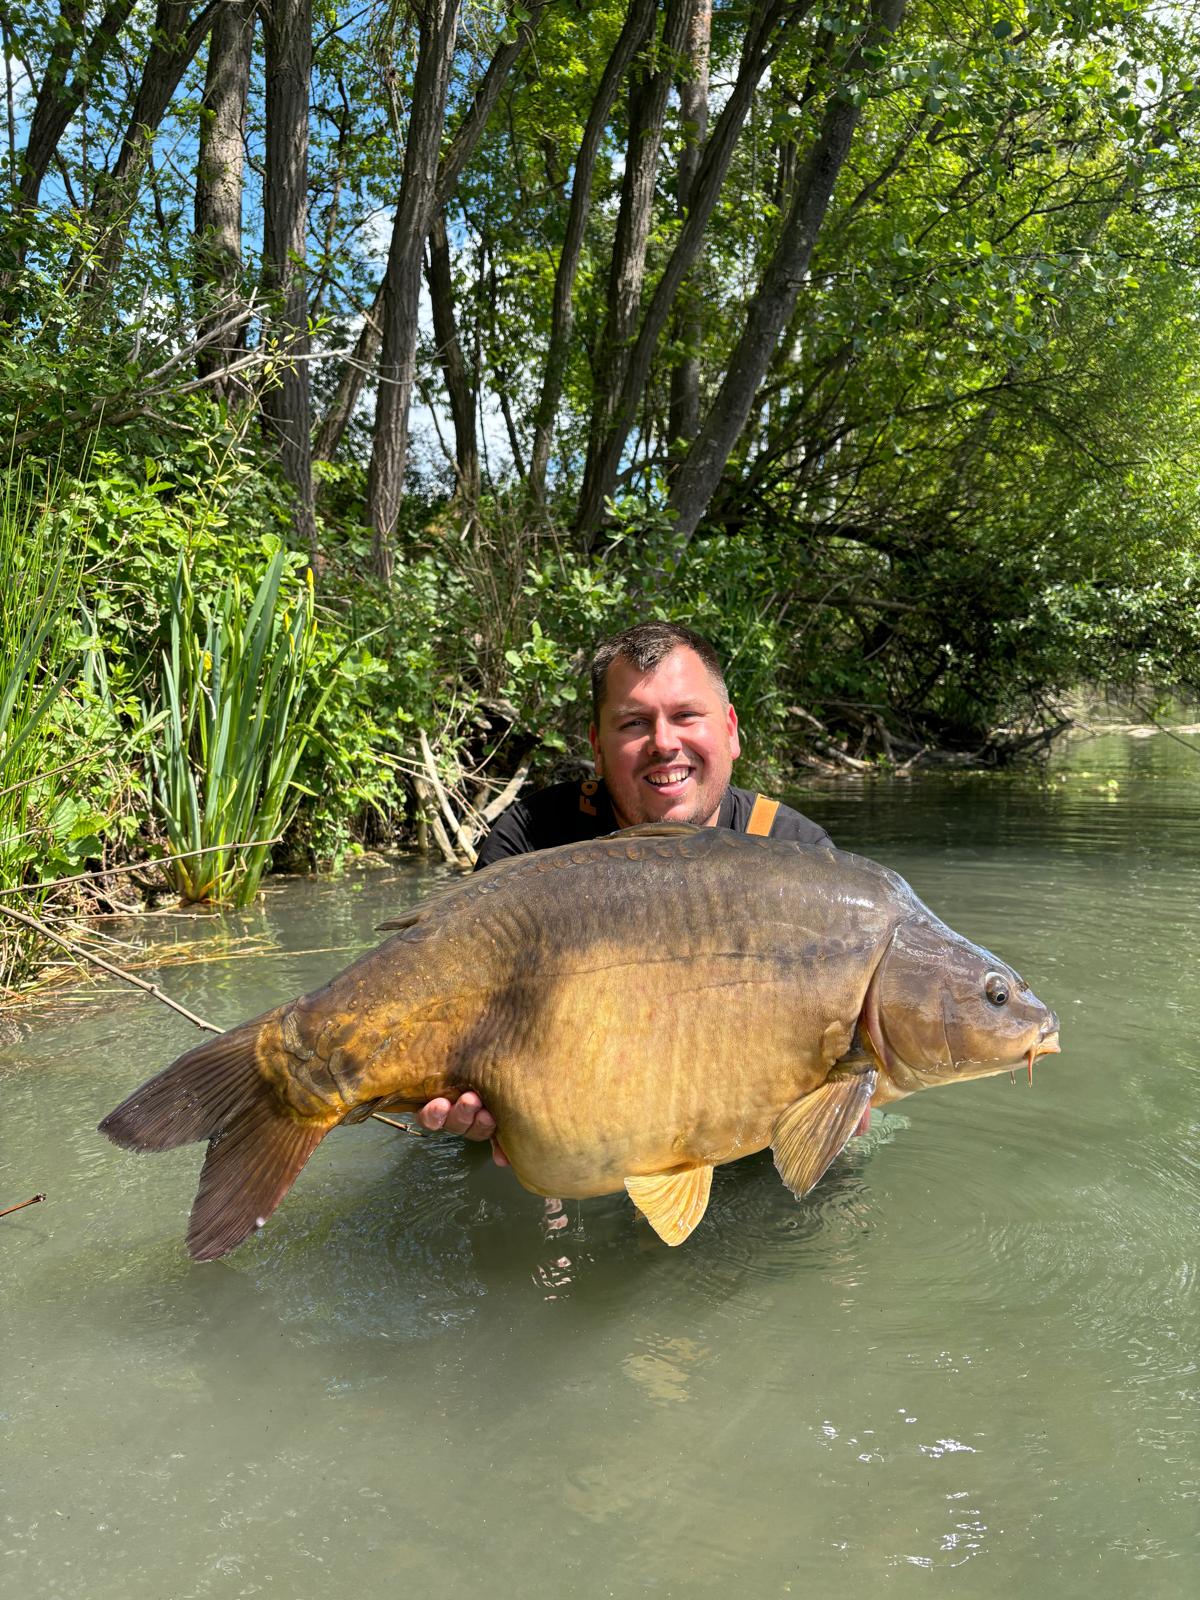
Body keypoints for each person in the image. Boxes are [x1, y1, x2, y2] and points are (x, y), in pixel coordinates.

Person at [417, 621, 832, 1162]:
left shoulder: (798, 854)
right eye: (634, 723)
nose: (664, 743)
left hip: (743, 1126)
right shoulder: (532, 840)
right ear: (597, 744)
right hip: (567, 1120)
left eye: (686, 716)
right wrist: (470, 1099)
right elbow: (456, 993)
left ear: (730, 728)